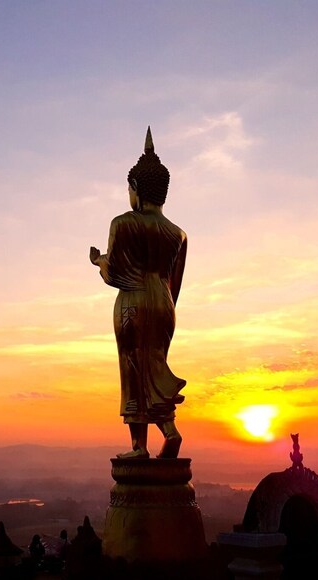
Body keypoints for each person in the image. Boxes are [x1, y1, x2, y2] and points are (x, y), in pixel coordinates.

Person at [90, 127, 188, 459]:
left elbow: (116, 273)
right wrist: (164, 306)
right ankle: (170, 430)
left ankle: (138, 447)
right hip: (164, 305)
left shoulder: (124, 223)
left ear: (135, 189)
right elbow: (177, 280)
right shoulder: (178, 234)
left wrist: (99, 262)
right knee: (156, 366)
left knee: (134, 368)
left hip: (132, 300)